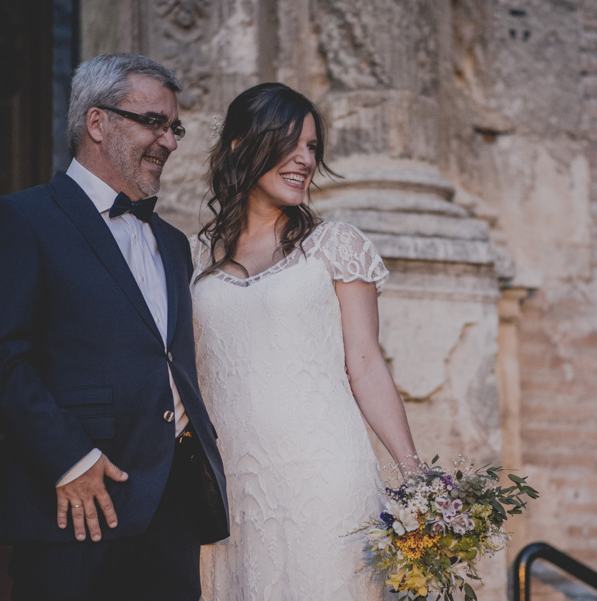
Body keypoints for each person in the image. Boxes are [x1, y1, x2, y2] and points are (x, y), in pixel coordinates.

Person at [0, 53, 228, 601]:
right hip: (77, 504)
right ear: (97, 122)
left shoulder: (173, 244)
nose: (169, 141)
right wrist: (70, 460)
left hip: (171, 507)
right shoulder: (20, 219)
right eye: (153, 122)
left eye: (174, 128)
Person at [190, 82, 420, 600]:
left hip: (325, 479)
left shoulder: (335, 245)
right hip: (231, 490)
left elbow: (365, 363)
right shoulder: (194, 259)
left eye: (312, 147)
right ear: (240, 146)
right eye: (290, 143)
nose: (305, 160)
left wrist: (417, 478)